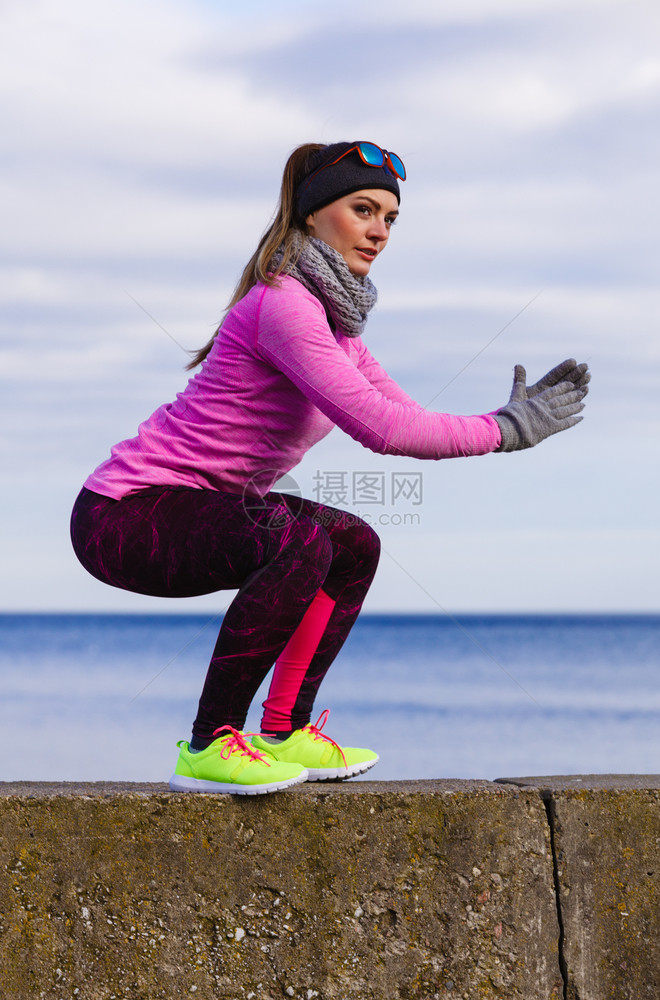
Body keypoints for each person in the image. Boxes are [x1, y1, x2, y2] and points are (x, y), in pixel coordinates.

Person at [70, 140, 589, 796]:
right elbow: (380, 430)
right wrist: (505, 432)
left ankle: (284, 731)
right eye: (363, 209)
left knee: (351, 545)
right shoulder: (283, 305)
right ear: (313, 214)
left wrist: (499, 423)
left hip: (188, 511)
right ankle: (210, 743)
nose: (378, 231)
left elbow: (403, 416)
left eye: (390, 219)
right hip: (124, 517)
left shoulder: (335, 328)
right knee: (295, 541)